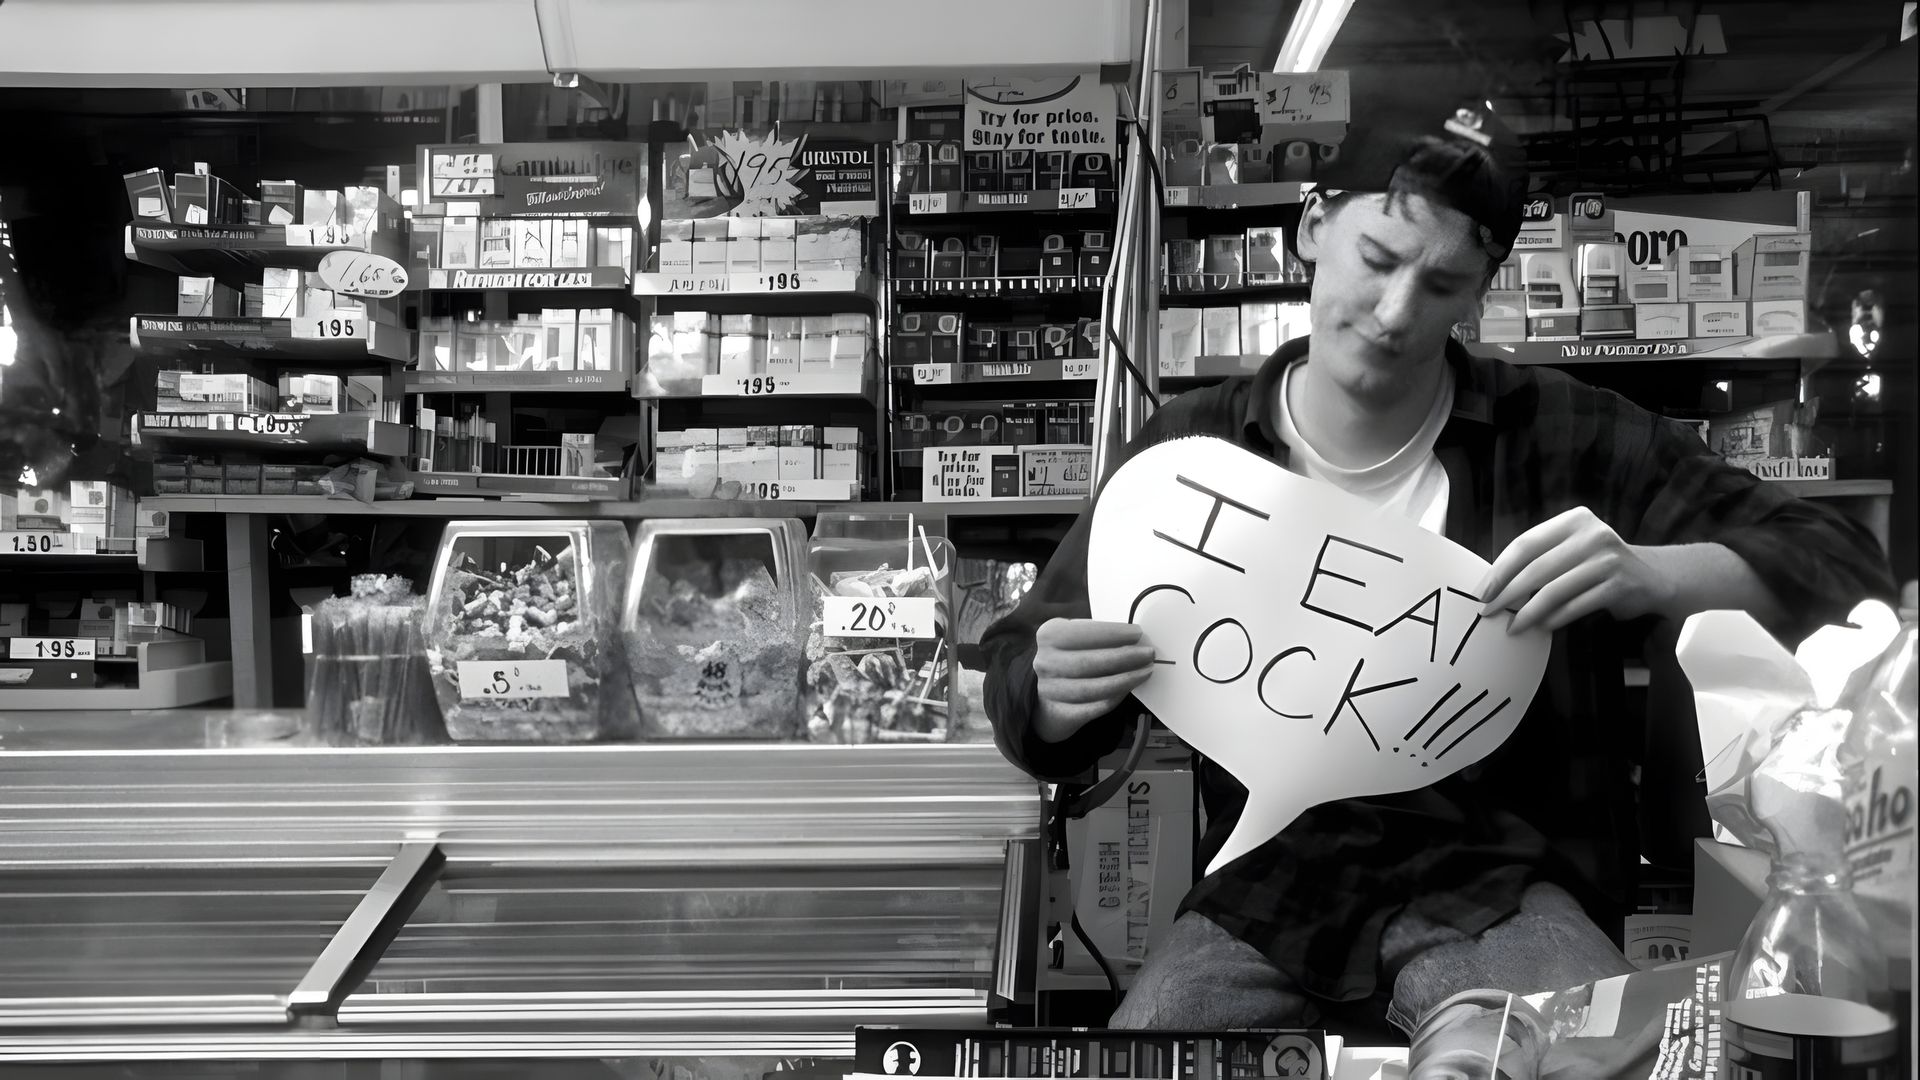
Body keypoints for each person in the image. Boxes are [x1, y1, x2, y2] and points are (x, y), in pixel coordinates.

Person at [980, 106, 1896, 1034]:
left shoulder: (1568, 435)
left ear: (1480, 295)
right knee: (1152, 1056)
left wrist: (1654, 574)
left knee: (1590, 1055)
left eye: (1442, 283)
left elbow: (1845, 569)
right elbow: (1022, 683)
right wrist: (1059, 691)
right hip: (1270, 889)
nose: (1393, 313)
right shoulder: (1195, 451)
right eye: (1378, 260)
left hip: (1505, 881)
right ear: (1311, 225)